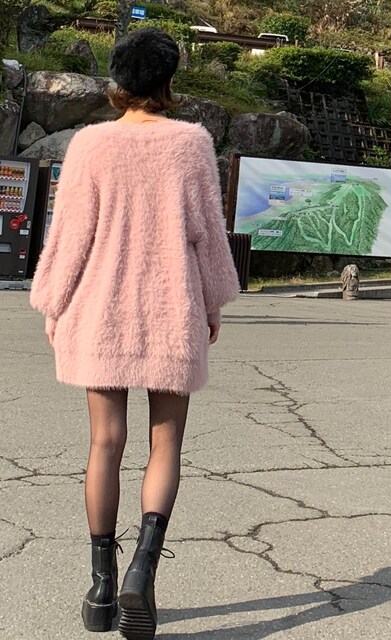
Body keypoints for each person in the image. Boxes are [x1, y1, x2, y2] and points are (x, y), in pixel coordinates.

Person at [29, 27, 240, 640]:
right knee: (165, 444)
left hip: (100, 311)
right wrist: (214, 302)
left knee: (105, 443)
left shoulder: (90, 145)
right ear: (169, 81)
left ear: (117, 82)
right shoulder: (191, 143)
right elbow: (208, 233)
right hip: (172, 308)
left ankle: (101, 588)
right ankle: (142, 572)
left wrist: (52, 302)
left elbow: (70, 234)